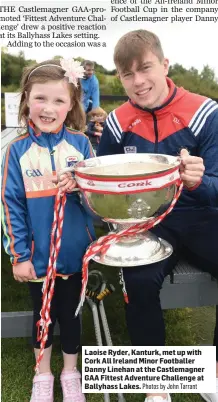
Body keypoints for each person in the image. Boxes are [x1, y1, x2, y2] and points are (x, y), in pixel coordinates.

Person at [96, 30, 218, 402]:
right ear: (120, 77)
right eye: (127, 74)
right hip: (146, 223)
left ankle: (212, 372)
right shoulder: (116, 123)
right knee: (139, 283)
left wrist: (198, 182)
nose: (138, 81)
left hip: (199, 218)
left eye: (145, 68)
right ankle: (156, 382)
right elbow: (103, 183)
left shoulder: (205, 112)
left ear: (164, 65)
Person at [1, 58, 95, 402]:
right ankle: (43, 375)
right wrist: (19, 256)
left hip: (73, 255)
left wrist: (82, 187)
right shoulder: (17, 151)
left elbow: (95, 200)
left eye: (58, 100)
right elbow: (9, 207)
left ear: (71, 105)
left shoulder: (81, 145)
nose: (48, 108)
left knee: (71, 317)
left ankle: (71, 372)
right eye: (41, 98)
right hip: (38, 260)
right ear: (27, 98)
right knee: (42, 318)